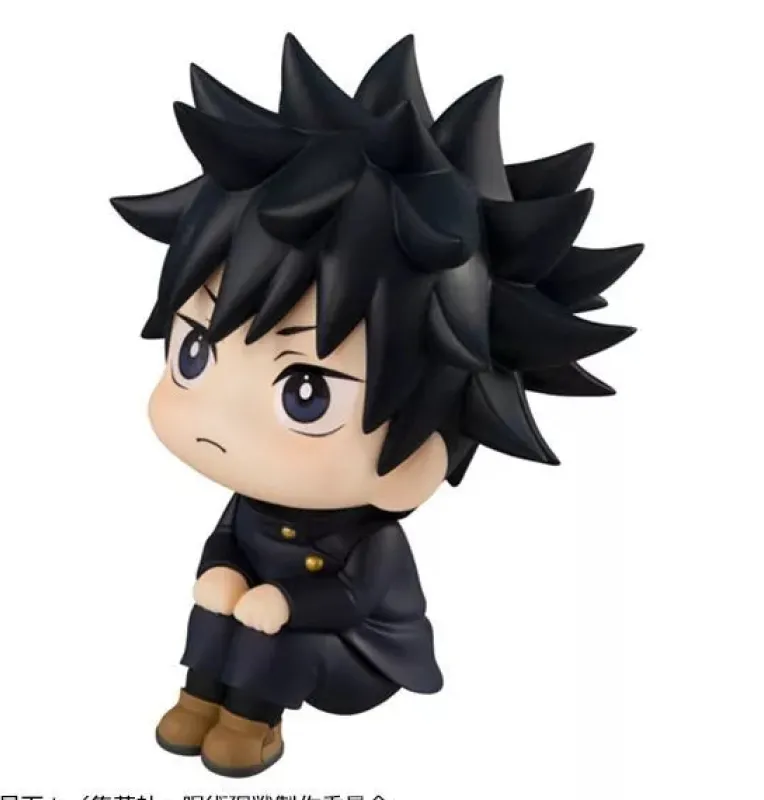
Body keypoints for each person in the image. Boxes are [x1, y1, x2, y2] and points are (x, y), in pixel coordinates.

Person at [111, 33, 642, 778]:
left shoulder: (371, 538)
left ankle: (251, 724)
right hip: (260, 618)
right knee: (216, 609)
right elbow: (227, 543)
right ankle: (199, 697)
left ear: (422, 455)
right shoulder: (250, 504)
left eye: (307, 392)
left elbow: (358, 600)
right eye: (194, 350)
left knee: (274, 637)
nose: (220, 424)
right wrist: (221, 572)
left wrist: (287, 603)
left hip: (354, 655)